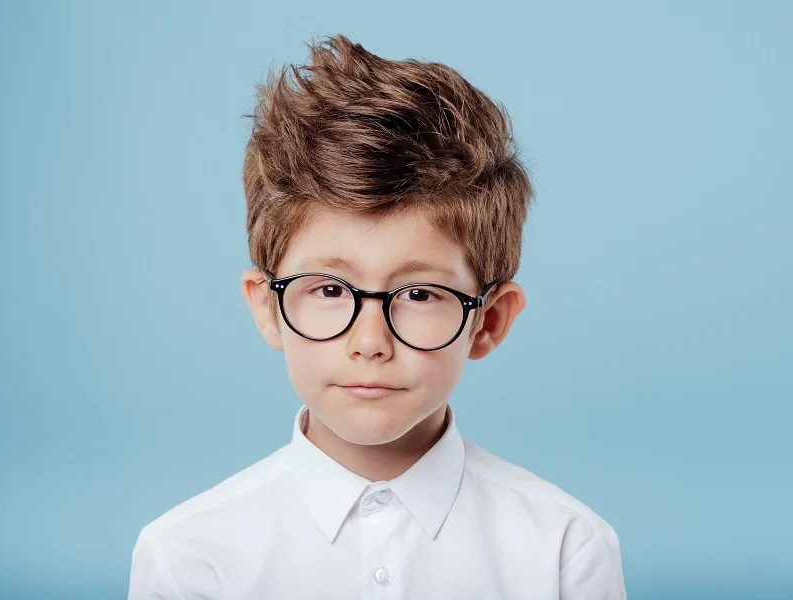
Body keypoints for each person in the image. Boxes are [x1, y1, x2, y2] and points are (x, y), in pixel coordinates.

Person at [128, 34, 626, 600]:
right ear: (269, 308)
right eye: (329, 289)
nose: (370, 342)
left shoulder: (564, 549)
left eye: (419, 295)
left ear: (488, 322)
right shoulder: (189, 558)